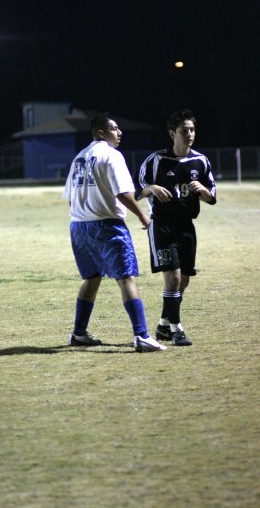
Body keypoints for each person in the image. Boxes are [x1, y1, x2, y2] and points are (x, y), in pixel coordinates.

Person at [63, 113, 166, 352]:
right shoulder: (111, 155)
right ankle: (141, 335)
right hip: (107, 225)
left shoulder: (79, 158)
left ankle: (78, 333)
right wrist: (143, 216)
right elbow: (122, 193)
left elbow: (70, 198)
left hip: (78, 225)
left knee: (92, 277)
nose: (120, 133)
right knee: (126, 277)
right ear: (101, 133)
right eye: (115, 129)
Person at [135, 109, 217, 347]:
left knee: (183, 281)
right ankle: (177, 329)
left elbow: (212, 197)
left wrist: (202, 191)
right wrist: (151, 188)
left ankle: (162, 325)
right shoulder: (155, 161)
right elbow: (135, 190)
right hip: (161, 227)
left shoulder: (201, 161)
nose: (189, 134)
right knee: (172, 278)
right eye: (184, 131)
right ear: (172, 134)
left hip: (186, 227)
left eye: (192, 130)